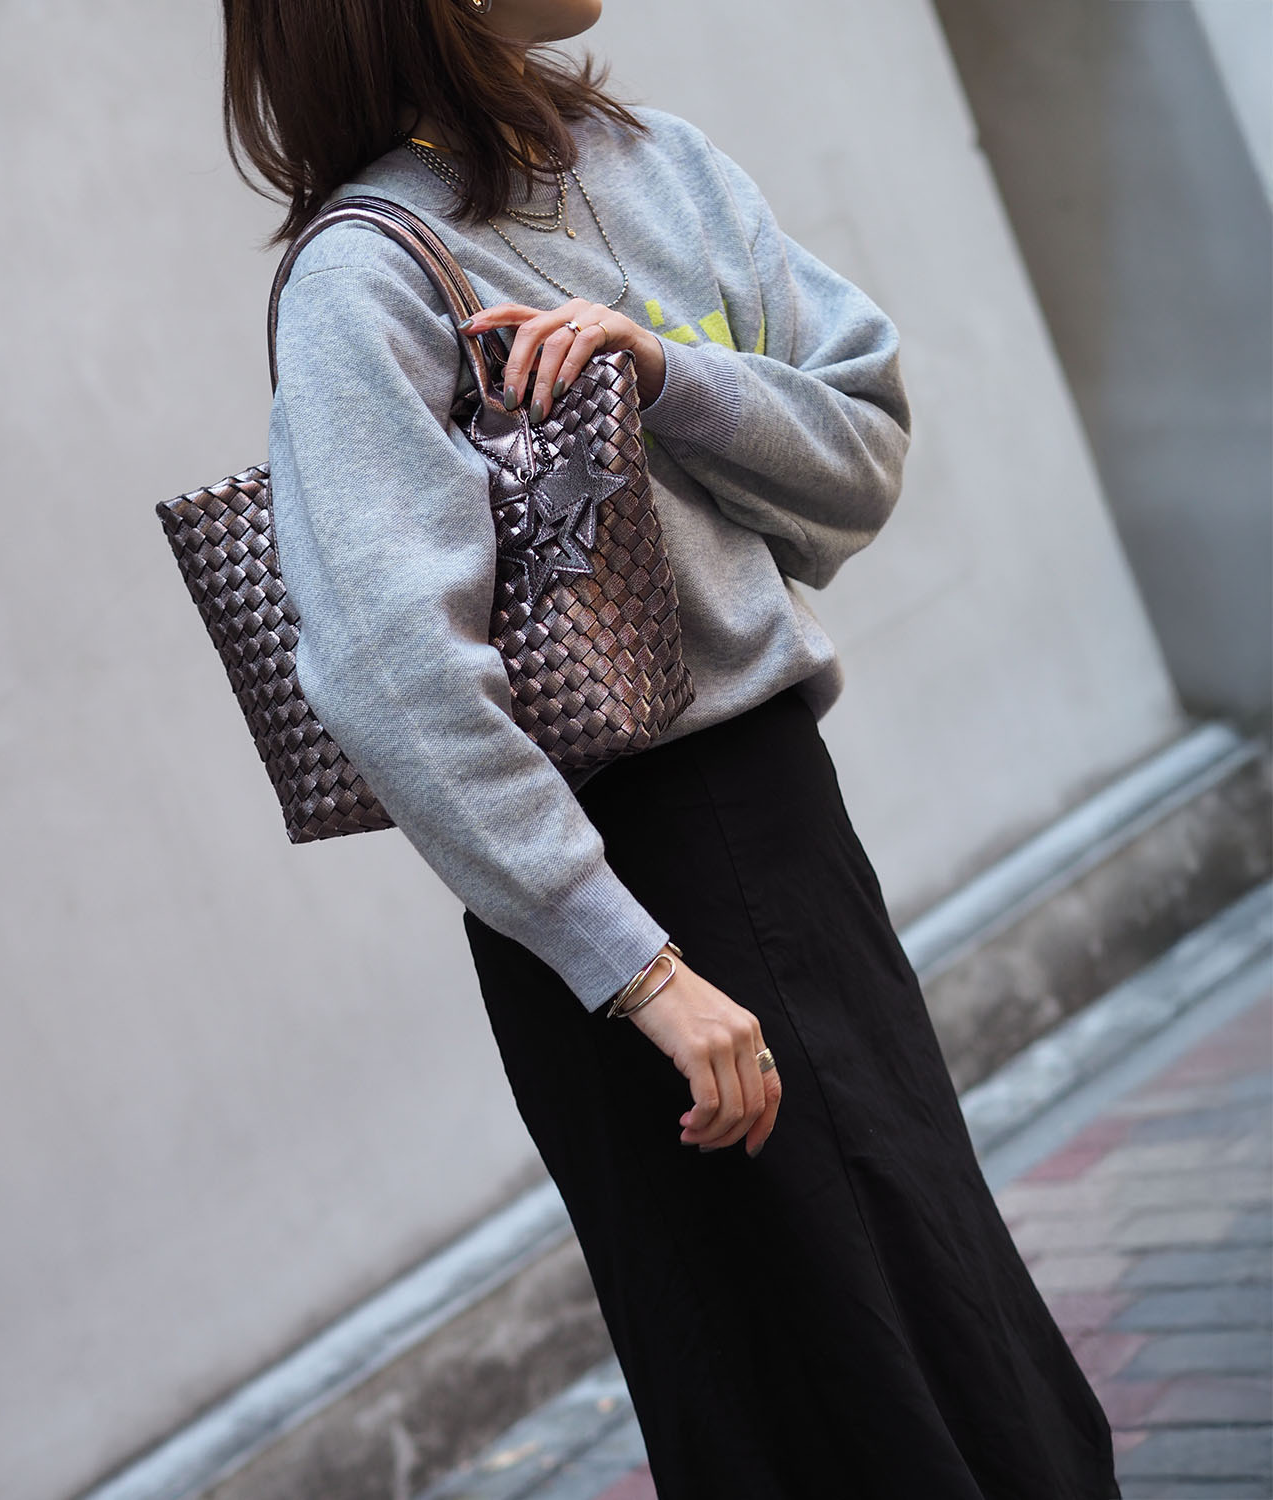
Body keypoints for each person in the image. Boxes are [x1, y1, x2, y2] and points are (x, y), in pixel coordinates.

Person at [222, 0, 1123, 1494]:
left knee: (939, 1285)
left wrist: (665, 374)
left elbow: (861, 453)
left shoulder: (659, 164)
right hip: (612, 888)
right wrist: (637, 970)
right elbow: (388, 676)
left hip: (785, 825)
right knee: (796, 1367)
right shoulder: (363, 278)